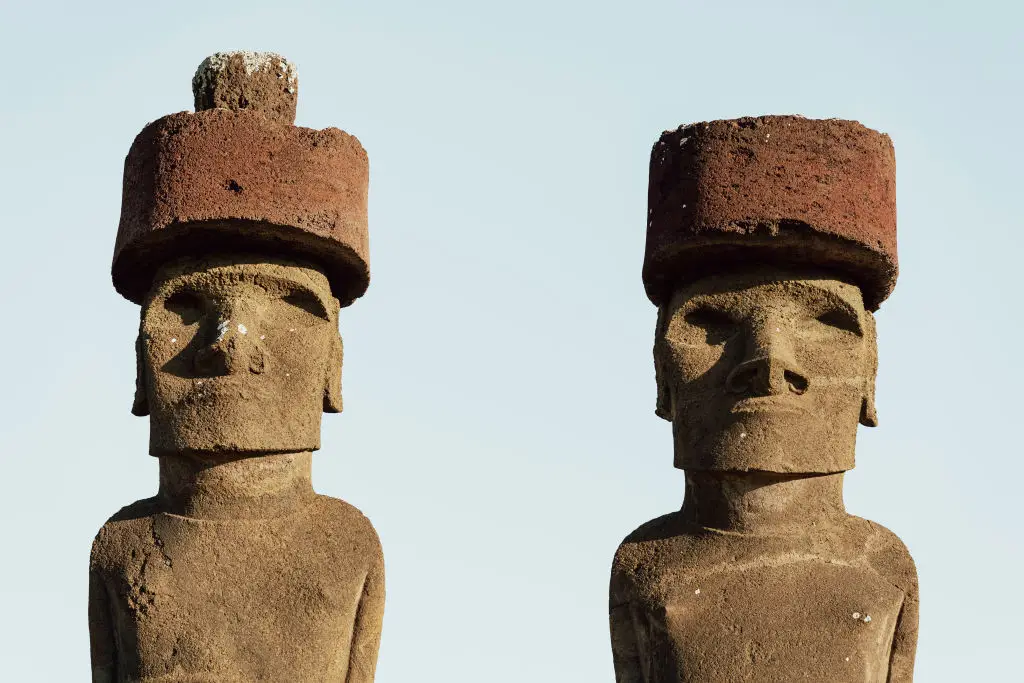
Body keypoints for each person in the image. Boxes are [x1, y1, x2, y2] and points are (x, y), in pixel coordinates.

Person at [610, 116, 918, 682]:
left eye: (827, 322)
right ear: (662, 372)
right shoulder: (646, 563)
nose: (772, 361)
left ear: (870, 373)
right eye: (712, 322)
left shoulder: (881, 564)